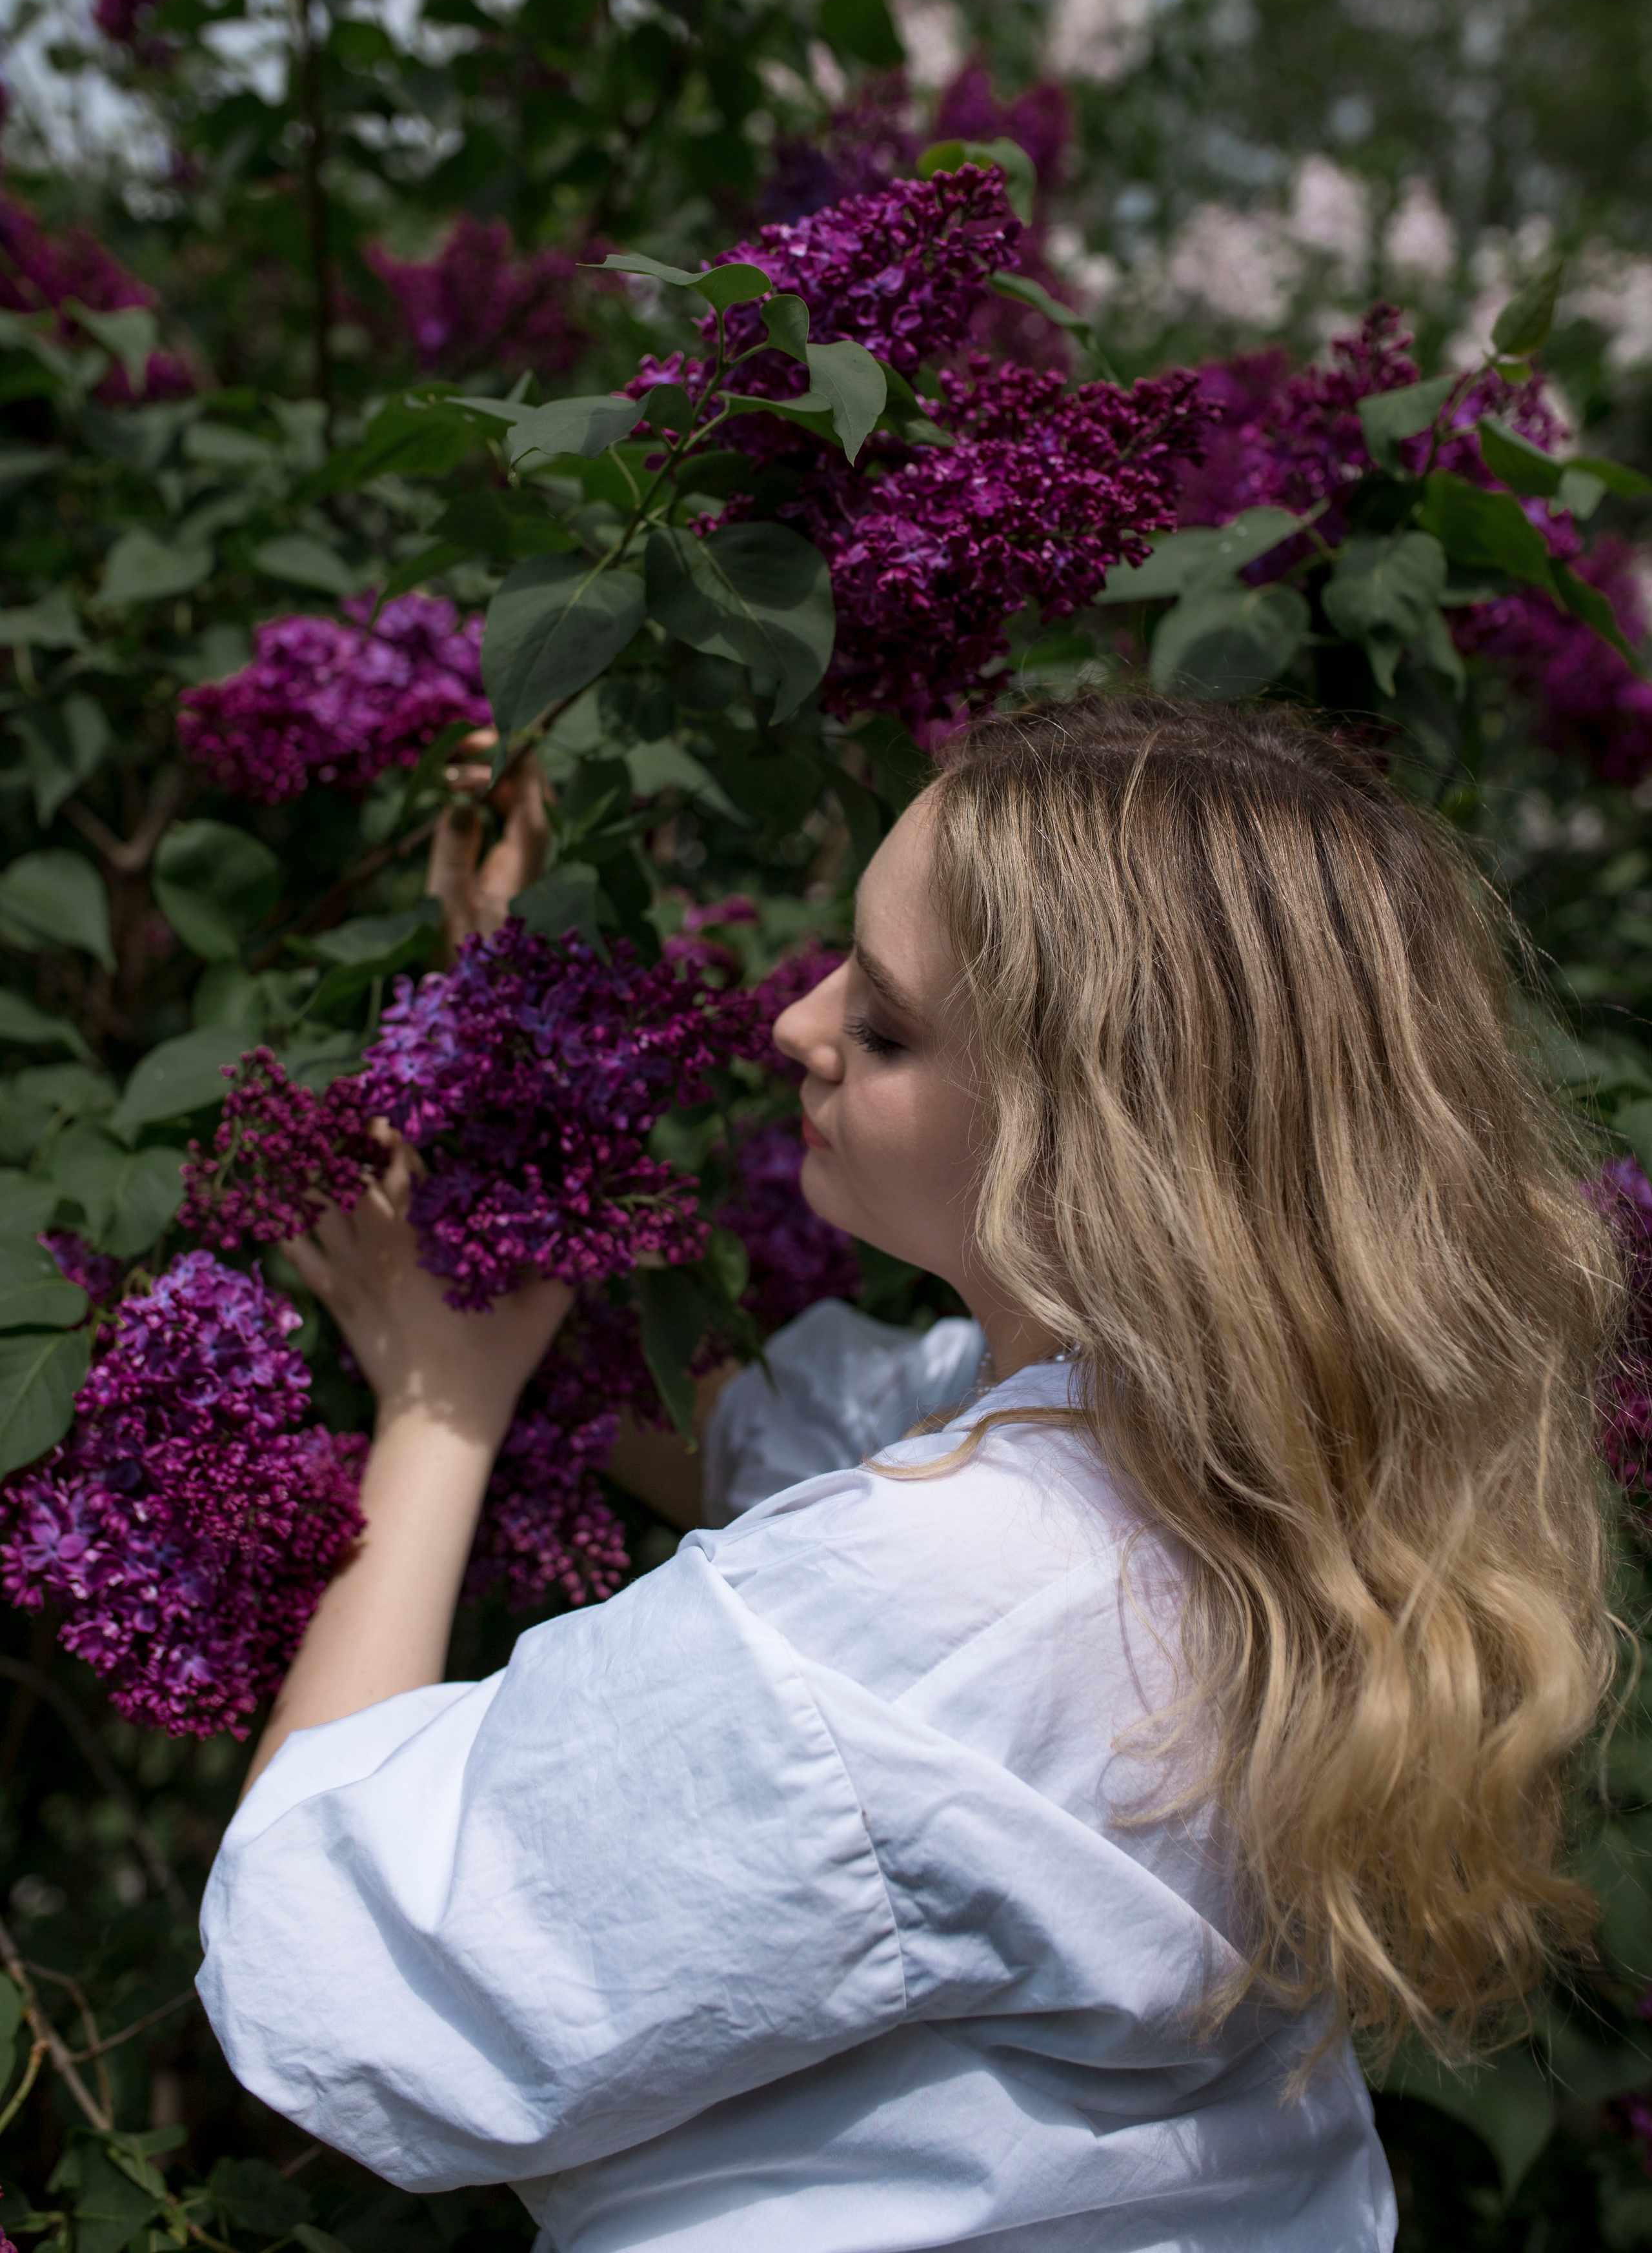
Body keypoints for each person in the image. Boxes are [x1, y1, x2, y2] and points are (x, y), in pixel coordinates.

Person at [198, 692, 1621, 2253]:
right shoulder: (1267, 1471)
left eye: (879, 1025)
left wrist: (435, 1408)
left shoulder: (927, 1597)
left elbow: (322, 1964)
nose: (792, 1023)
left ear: (1087, 1149)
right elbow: (743, 1431)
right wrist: (502, 1025)